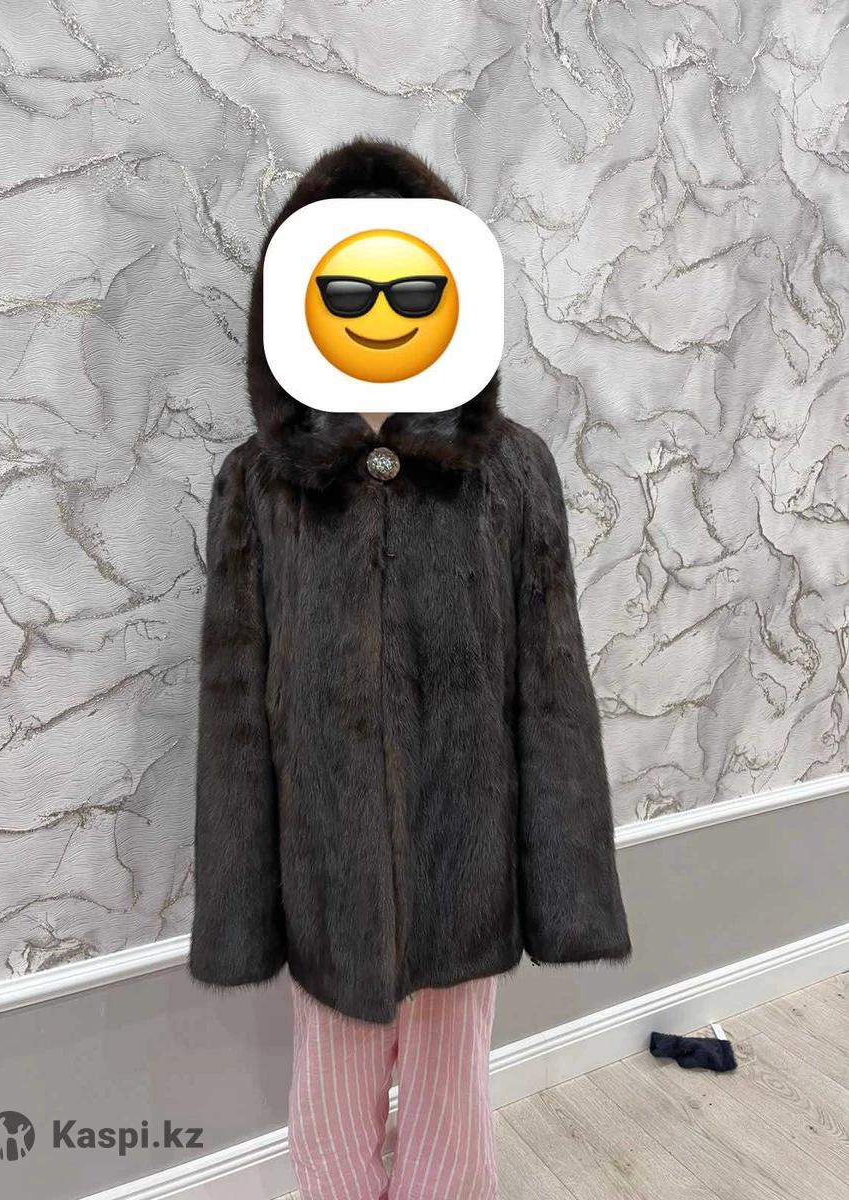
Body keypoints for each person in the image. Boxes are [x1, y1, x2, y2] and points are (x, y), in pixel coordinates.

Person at [188, 138, 632, 1199]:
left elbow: (552, 691)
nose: (380, 312)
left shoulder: (512, 470)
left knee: (451, 1095)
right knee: (331, 1092)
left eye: (412, 288)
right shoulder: (260, 484)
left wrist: (562, 883)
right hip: (325, 870)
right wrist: (243, 905)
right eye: (346, 289)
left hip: (464, 865)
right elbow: (234, 708)